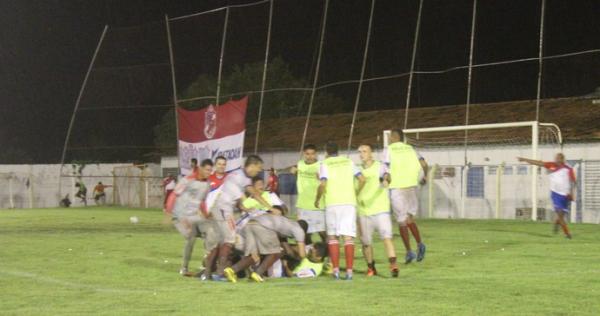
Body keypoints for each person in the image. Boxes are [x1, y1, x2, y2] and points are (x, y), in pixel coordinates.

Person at [212, 155, 275, 280]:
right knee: (230, 240)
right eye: (258, 168)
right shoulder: (240, 177)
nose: (259, 171)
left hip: (222, 208)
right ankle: (219, 272)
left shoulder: (241, 175)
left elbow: (235, 196)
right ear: (251, 166)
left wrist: (243, 208)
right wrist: (270, 208)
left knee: (227, 240)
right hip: (224, 209)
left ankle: (215, 270)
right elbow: (254, 194)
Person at [315, 142, 365, 280]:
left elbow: (323, 184)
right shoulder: (349, 162)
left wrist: (317, 198)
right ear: (338, 151)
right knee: (348, 238)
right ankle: (349, 272)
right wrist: (356, 192)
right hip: (349, 203)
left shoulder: (324, 164)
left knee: (333, 237)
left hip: (333, 203)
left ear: (326, 152)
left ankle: (336, 270)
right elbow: (362, 179)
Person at [224, 209, 307, 283]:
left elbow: (283, 243)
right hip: (263, 226)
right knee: (275, 252)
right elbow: (302, 254)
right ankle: (258, 274)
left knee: (254, 255)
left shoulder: (288, 222)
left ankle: (231, 270)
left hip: (250, 223)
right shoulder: (299, 230)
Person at [384, 129, 428, 264]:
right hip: (411, 187)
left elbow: (385, 168)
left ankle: (409, 251)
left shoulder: (389, 149)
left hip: (397, 188)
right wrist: (425, 176)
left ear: (393, 137)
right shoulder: (411, 149)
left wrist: (385, 181)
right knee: (409, 219)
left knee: (402, 221)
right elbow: (424, 164)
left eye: (390, 136)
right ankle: (420, 244)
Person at [357, 144, 398, 277]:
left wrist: (386, 180)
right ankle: (371, 267)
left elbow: (387, 175)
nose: (362, 154)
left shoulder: (380, 166)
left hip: (381, 210)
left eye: (365, 151)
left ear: (371, 154)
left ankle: (393, 265)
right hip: (364, 211)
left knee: (387, 238)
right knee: (366, 243)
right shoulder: (357, 170)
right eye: (360, 152)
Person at [171, 159, 216, 276]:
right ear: (200, 168)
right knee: (191, 237)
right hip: (180, 216)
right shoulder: (188, 180)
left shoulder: (207, 184)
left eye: (211, 170)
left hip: (194, 217)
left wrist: (206, 214)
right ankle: (184, 268)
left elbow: (201, 202)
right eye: (207, 169)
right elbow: (174, 195)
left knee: (211, 231)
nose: (209, 172)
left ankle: (207, 261)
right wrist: (168, 212)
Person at [518, 153, 575, 239]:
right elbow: (538, 163)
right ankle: (567, 234)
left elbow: (573, 181)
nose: (557, 160)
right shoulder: (551, 165)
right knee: (560, 214)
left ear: (563, 159)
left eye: (559, 158)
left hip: (565, 195)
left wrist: (571, 193)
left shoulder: (568, 169)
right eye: (556, 158)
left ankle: (557, 223)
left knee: (562, 215)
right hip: (556, 194)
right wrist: (525, 159)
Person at [290, 144, 327, 242]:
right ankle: (309, 254)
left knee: (322, 232)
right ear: (304, 154)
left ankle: (328, 252)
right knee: (304, 232)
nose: (310, 156)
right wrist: (295, 173)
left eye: (312, 154)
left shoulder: (321, 165)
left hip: (317, 204)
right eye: (307, 154)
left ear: (316, 154)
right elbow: (299, 179)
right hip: (302, 204)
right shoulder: (300, 164)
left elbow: (325, 183)